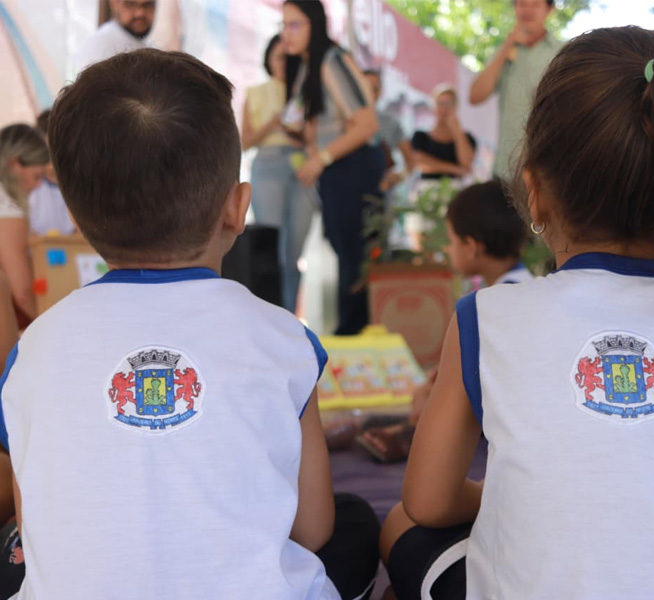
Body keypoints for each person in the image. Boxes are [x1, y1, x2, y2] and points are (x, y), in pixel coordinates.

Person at [380, 27, 654, 599]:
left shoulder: (485, 317)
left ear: (535, 193)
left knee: (400, 523)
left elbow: (428, 499)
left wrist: (503, 496)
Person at [0, 48, 379, 600]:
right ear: (238, 207)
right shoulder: (280, 338)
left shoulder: (33, 349)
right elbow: (312, 527)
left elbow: (35, 517)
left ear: (77, 219)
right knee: (355, 523)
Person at [358, 180, 532, 463]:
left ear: (472, 247)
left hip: (501, 419)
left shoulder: (488, 304)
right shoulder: (528, 287)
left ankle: (409, 430)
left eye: (452, 241)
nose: (449, 250)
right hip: (517, 413)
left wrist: (434, 397)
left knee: (425, 403)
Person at [282, 0, 382, 336]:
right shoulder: (308, 67)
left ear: (315, 25)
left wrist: (321, 158)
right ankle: (350, 332)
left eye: (295, 25)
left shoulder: (331, 60)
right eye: (284, 25)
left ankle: (353, 334)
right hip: (334, 170)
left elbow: (366, 124)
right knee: (345, 252)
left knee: (354, 255)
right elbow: (299, 123)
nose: (287, 34)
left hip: (350, 165)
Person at [242, 34, 315, 313]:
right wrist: (274, 124)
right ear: (269, 60)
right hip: (268, 163)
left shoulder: (307, 93)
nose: (285, 63)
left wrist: (297, 135)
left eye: (290, 57)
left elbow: (314, 138)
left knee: (294, 252)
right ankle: (270, 315)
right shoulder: (256, 92)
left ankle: (290, 318)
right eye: (280, 57)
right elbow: (245, 140)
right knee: (269, 246)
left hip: (302, 167)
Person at [468, 0, 563, 180]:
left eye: (535, 4)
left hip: (547, 172)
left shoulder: (563, 52)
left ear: (549, 9)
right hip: (504, 171)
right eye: (522, 3)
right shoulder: (504, 51)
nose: (527, 10)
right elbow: (475, 96)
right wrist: (507, 45)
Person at [0, 125, 48, 328]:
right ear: (14, 165)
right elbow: (23, 294)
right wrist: (50, 327)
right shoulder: (8, 207)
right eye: (37, 176)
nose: (38, 186)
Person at [363, 69, 415, 192]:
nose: (369, 92)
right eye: (365, 87)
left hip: (379, 194)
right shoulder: (341, 120)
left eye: (374, 88)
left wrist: (398, 177)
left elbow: (410, 162)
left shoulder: (390, 122)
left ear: (380, 92)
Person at [411, 85, 475, 181]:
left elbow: (466, 163)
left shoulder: (466, 138)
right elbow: (420, 163)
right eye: (440, 104)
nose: (443, 109)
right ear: (433, 107)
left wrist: (457, 132)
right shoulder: (420, 137)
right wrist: (455, 169)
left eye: (448, 104)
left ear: (455, 107)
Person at [73, 0, 156, 73]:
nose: (140, 13)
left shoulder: (147, 45)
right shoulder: (99, 44)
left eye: (148, 5)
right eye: (130, 4)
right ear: (114, 3)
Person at [27, 110, 74, 237]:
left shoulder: (84, 187)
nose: (54, 159)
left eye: (59, 149)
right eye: (48, 151)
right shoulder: (29, 189)